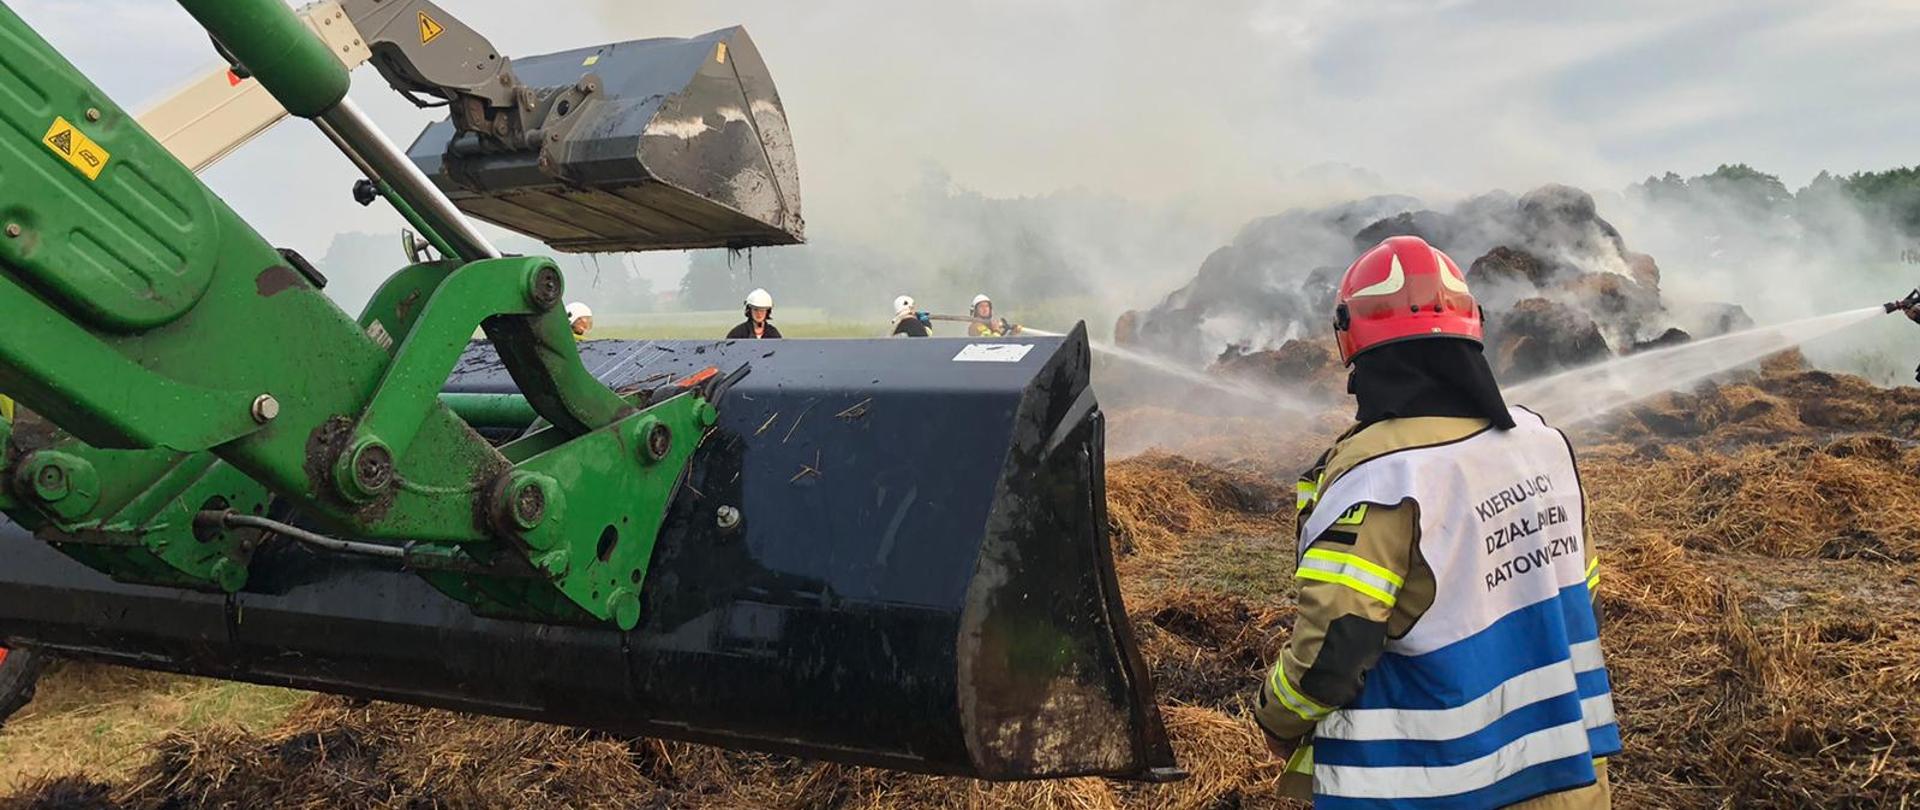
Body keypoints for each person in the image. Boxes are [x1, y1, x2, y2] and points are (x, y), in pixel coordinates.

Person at [1254, 236, 1618, 809]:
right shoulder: (1543, 445)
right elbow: (1583, 592)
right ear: (1472, 328)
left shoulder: (1383, 479)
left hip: (1439, 786)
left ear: (1352, 338)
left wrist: (1275, 718)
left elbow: (1335, 647)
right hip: (1565, 775)